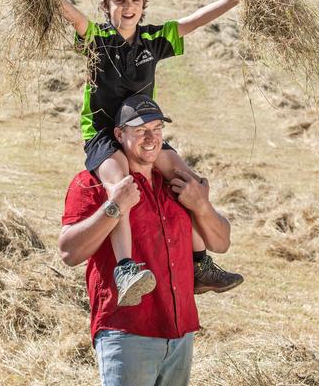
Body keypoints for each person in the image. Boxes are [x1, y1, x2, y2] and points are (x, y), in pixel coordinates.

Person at [54, 0, 243, 305]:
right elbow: (72, 16)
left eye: (135, 1)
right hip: (103, 133)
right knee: (120, 186)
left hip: (143, 130)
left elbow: (196, 20)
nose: (128, 7)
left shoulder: (155, 40)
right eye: (120, 0)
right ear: (106, 5)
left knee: (187, 180)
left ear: (143, 6)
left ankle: (200, 264)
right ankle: (126, 269)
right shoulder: (97, 38)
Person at [58, 95, 232, 385]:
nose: (151, 139)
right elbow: (68, 253)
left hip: (181, 334)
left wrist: (201, 205)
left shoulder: (177, 183)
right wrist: (114, 207)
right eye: (140, 131)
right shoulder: (93, 183)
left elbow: (222, 242)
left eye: (157, 129)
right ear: (119, 134)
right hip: (127, 333)